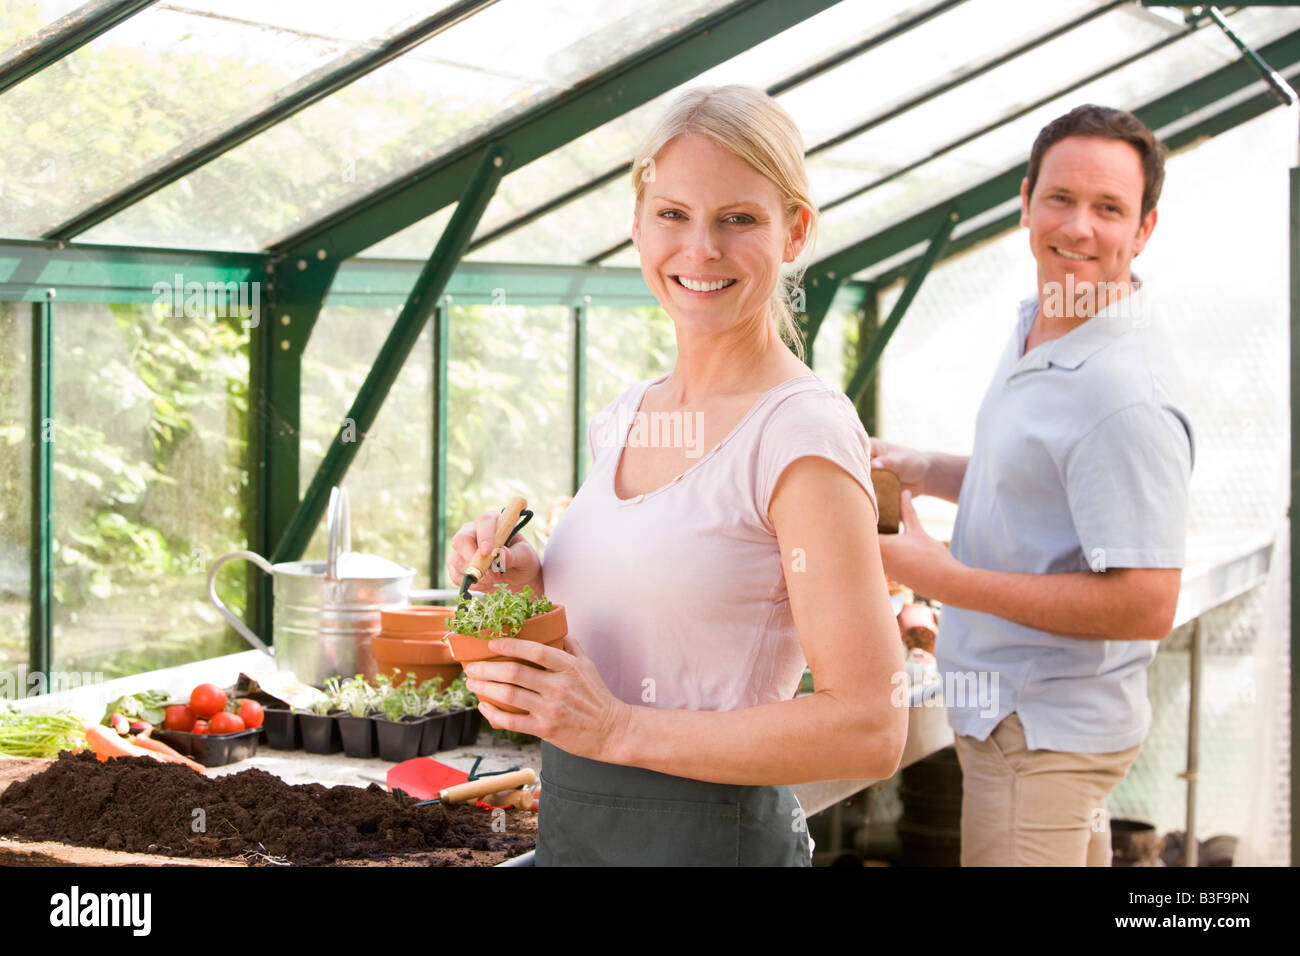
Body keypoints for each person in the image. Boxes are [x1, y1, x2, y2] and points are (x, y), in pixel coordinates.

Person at [446, 85, 906, 866]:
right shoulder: (629, 414)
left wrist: (621, 728)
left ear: (795, 232)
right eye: (672, 214)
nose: (701, 250)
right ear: (636, 224)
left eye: (739, 219)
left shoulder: (799, 431)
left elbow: (871, 725)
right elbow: (652, 631)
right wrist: (524, 584)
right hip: (579, 834)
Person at [873, 104, 1193, 867]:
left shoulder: (1123, 392)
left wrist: (945, 578)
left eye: (1108, 208)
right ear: (1026, 200)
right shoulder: (1047, 318)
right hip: (1024, 725)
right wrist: (926, 468)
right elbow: (1037, 483)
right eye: (1061, 198)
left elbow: (1146, 603)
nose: (1078, 227)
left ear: (1144, 229)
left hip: (1039, 734)